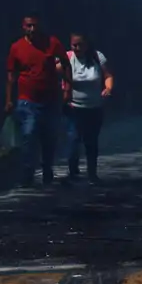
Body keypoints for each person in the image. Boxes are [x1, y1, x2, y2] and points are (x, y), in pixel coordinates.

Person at [5, 13, 69, 188]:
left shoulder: (52, 43)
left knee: (49, 137)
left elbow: (65, 63)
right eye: (28, 26)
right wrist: (9, 99)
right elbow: (11, 75)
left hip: (50, 99)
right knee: (28, 135)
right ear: (23, 27)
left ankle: (47, 168)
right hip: (27, 101)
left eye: (35, 25)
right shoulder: (16, 47)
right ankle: (27, 174)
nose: (32, 29)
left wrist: (67, 88)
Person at [63, 32, 113, 183]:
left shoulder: (97, 57)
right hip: (74, 108)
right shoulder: (67, 57)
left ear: (86, 44)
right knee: (73, 140)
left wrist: (108, 88)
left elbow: (108, 75)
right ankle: (73, 172)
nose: (77, 48)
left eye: (80, 44)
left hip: (94, 108)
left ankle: (92, 174)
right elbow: (52, 71)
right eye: (74, 44)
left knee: (91, 141)